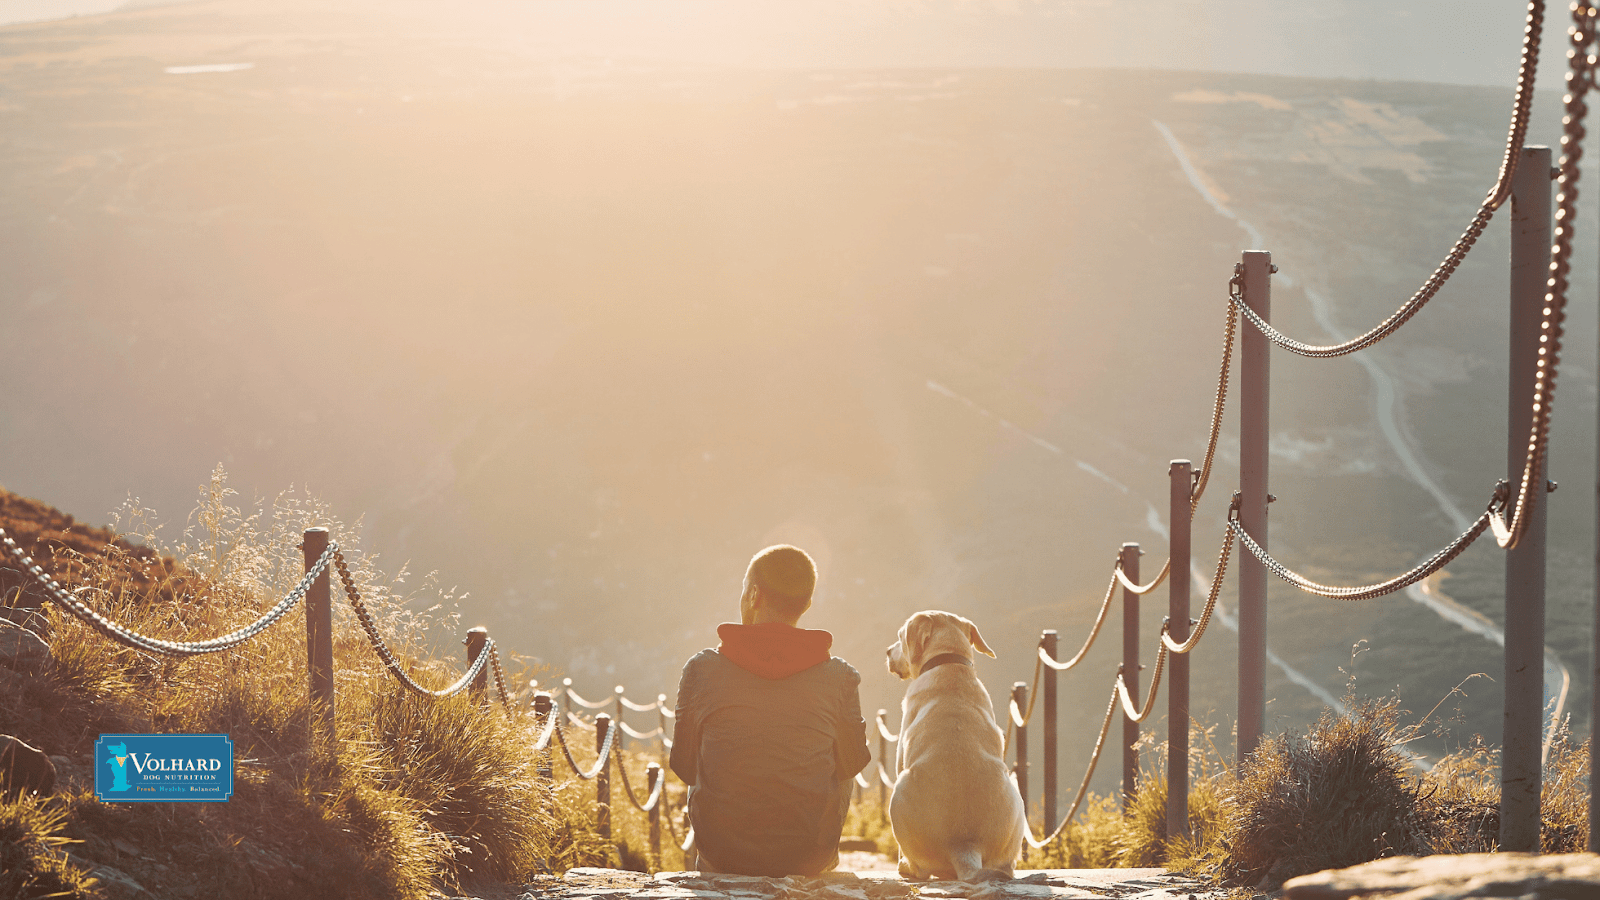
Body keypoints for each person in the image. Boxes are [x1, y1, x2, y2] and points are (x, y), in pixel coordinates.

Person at [669, 544, 872, 877]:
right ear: (806, 604)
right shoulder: (840, 677)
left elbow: (683, 765)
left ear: (753, 594)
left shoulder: (701, 670)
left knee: (703, 759)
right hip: (807, 857)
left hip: (724, 857)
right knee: (842, 758)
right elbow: (853, 763)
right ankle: (821, 860)